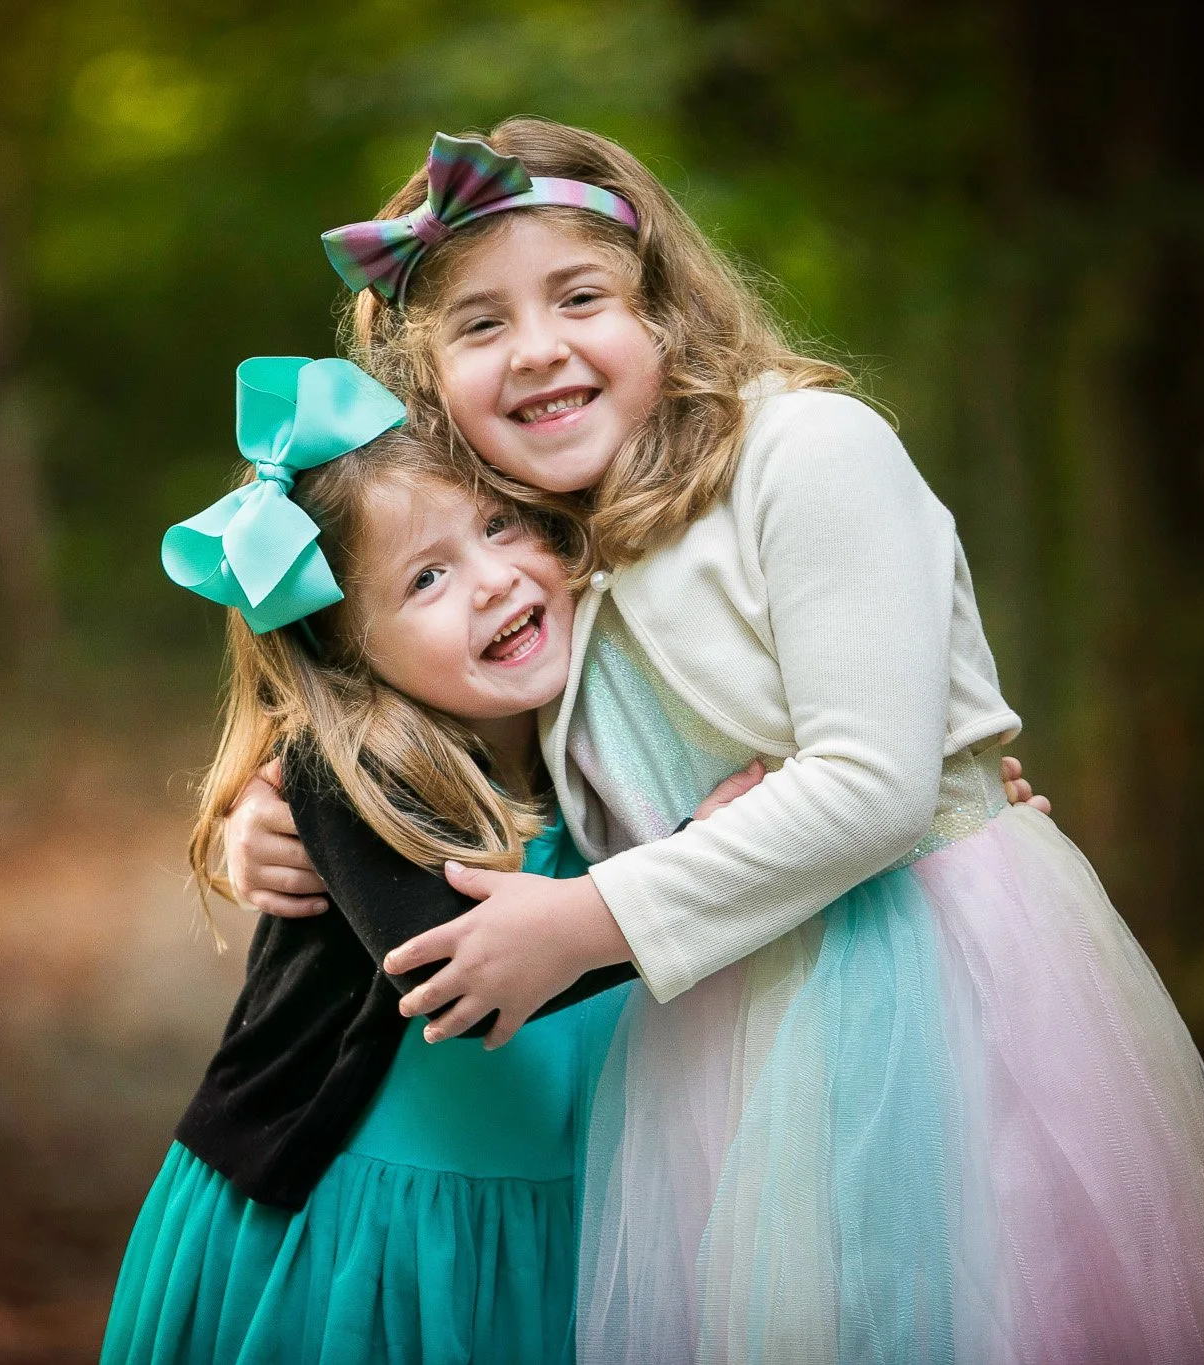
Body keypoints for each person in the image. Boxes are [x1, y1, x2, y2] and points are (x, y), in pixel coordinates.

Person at [234, 122, 1204, 1361]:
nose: (535, 348)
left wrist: (594, 920)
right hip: (718, 1022)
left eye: (578, 295)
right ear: (431, 389)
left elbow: (874, 785)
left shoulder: (803, 449)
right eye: (477, 325)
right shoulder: (547, 535)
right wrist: (270, 813)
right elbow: (431, 718)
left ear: (666, 310)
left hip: (915, 983)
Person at [102, 355, 758, 1365]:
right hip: (355, 1238)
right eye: (425, 577)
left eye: (499, 524)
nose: (492, 578)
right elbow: (463, 966)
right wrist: (716, 867)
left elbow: (821, 786)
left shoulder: (613, 714)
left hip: (571, 1227)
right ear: (349, 652)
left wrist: (935, 820)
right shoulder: (345, 769)